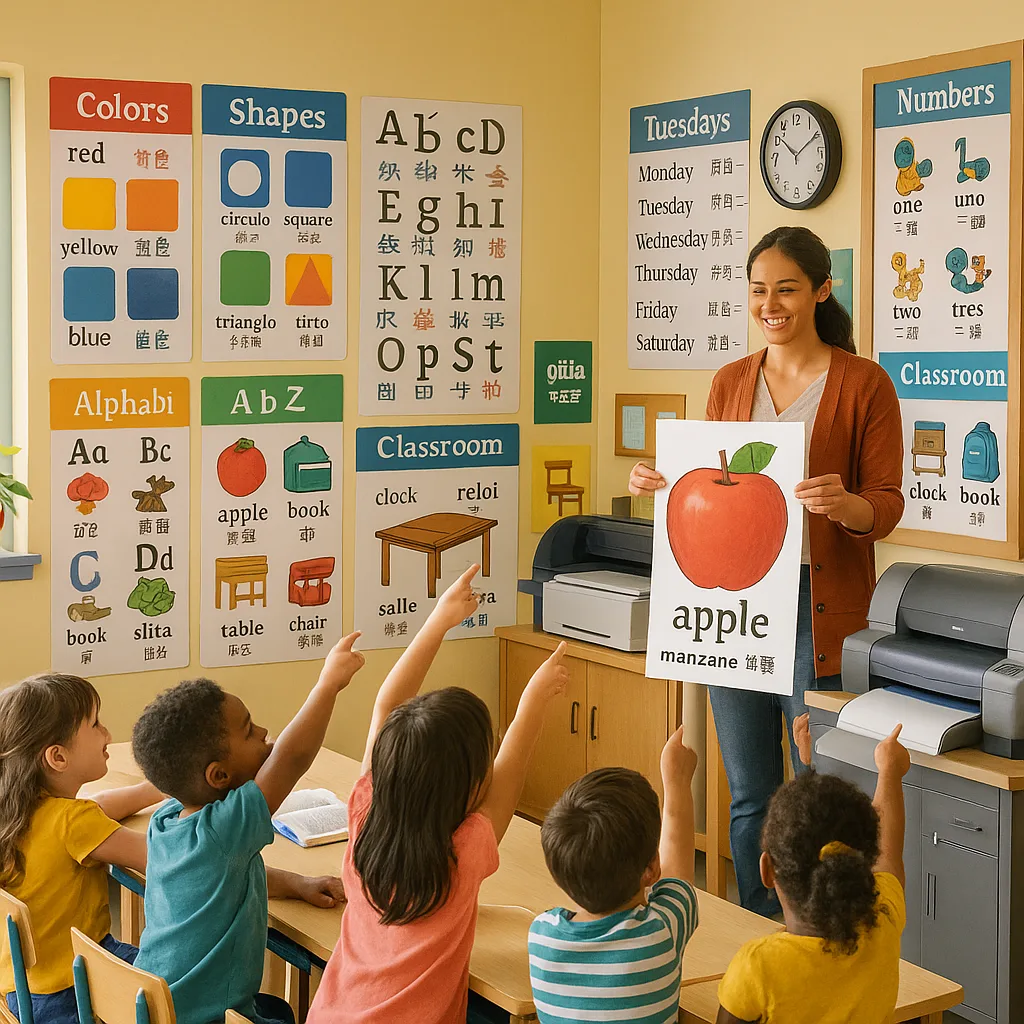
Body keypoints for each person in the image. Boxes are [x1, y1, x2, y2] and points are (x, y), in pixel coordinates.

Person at [629, 226, 904, 915]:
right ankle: (757, 932)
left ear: (821, 290)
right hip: (737, 605)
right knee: (751, 791)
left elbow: (887, 504)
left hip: (820, 605)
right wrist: (661, 483)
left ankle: (820, 934)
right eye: (758, 290)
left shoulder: (863, 383)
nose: (770, 304)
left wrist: (847, 505)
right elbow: (713, 484)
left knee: (815, 791)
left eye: (786, 288)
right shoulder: (730, 380)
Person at [306, 565, 570, 1024]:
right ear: (469, 784)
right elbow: (513, 770)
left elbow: (387, 707)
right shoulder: (464, 851)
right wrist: (535, 697)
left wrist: (438, 621)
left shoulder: (365, 816)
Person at [130, 634, 364, 1024]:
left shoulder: (167, 821)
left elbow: (225, 879)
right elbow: (292, 758)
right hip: (209, 1018)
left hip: (155, 1007)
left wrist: (296, 884)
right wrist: (329, 684)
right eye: (249, 730)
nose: (263, 732)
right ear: (219, 775)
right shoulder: (223, 830)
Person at [716, 718, 910, 1023]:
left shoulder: (756, 968)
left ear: (766, 870)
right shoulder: (884, 921)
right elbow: (889, 855)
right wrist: (890, 771)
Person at [0, 673, 162, 1024]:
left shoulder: (18, 811)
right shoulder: (74, 822)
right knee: (176, 982)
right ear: (57, 757)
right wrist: (287, 881)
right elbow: (174, 862)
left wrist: (157, 789)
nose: (107, 733)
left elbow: (99, 805)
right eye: (95, 724)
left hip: (20, 992)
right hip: (71, 996)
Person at [528, 725, 700, 1023]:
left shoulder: (542, 937)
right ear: (651, 869)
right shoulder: (660, 933)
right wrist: (677, 781)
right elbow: (678, 869)